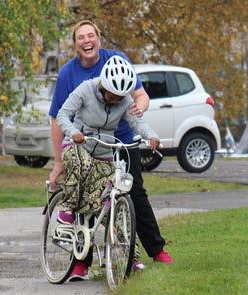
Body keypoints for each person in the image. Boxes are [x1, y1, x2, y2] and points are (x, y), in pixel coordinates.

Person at [48, 20, 174, 282]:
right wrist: (59, 160)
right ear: (75, 44)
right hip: (84, 142)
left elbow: (138, 99)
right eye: (81, 37)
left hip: (121, 141)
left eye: (91, 35)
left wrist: (148, 131)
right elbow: (58, 117)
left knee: (131, 195)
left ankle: (146, 252)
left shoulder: (116, 61)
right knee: (86, 195)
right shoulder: (71, 76)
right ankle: (81, 262)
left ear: (99, 38)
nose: (86, 40)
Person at [56, 56, 160, 218]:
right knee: (82, 164)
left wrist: (152, 136)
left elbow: (137, 122)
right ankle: (66, 212)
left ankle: (119, 237)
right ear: (103, 86)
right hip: (76, 145)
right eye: (112, 97)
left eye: (119, 99)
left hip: (103, 152)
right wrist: (73, 132)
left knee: (112, 189)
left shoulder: (124, 100)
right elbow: (62, 115)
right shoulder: (86, 89)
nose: (115, 102)